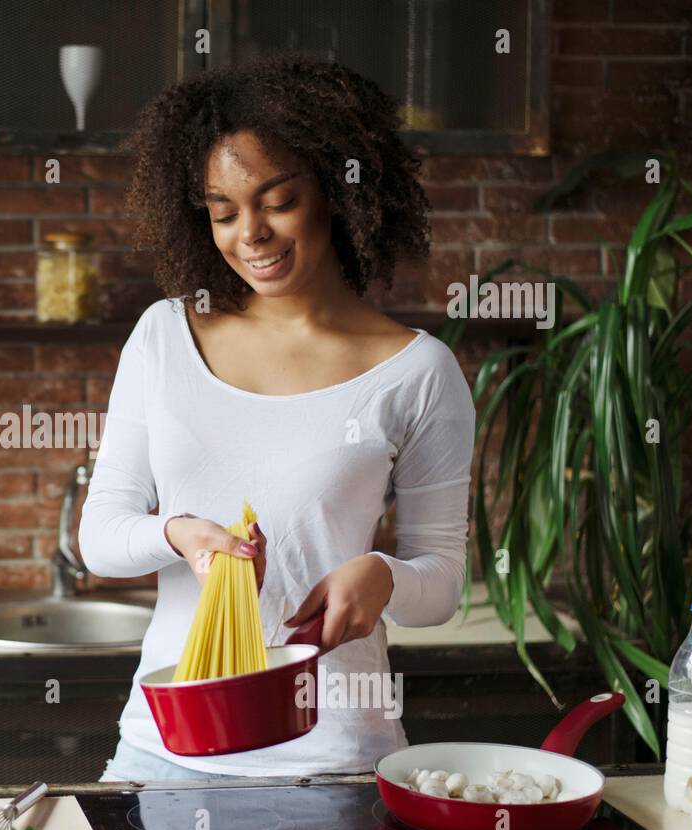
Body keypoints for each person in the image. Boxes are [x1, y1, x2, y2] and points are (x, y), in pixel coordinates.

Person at [78, 54, 476, 782]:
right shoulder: (166, 337)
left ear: (336, 190)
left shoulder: (418, 373)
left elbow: (442, 581)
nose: (249, 234)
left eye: (278, 200)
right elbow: (100, 537)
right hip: (164, 750)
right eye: (222, 211)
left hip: (332, 761)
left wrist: (383, 575)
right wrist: (183, 535)